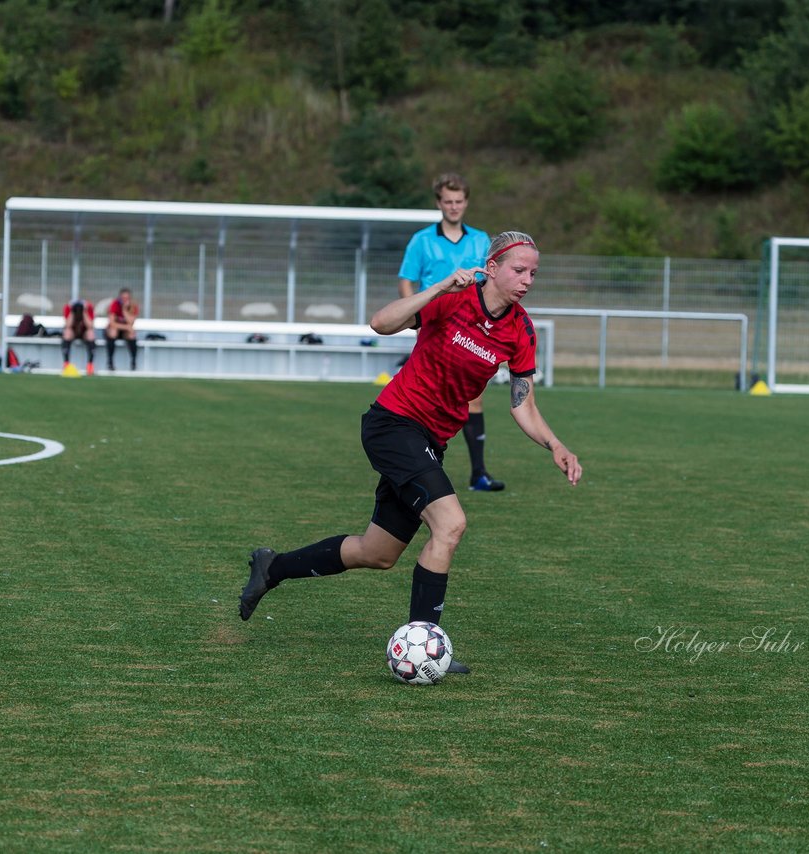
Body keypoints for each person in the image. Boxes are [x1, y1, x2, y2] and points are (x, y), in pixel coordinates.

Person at [239, 231, 582, 671]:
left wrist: (556, 444)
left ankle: (273, 568)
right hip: (393, 424)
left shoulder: (520, 330)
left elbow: (523, 404)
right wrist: (438, 286)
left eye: (533, 272)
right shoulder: (453, 299)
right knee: (451, 524)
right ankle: (425, 645)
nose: (527, 280)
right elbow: (380, 323)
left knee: (376, 553)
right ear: (492, 267)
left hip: (430, 442)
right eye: (519, 270)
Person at [399, 172, 504, 492]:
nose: (454, 206)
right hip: (434, 329)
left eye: (459, 201)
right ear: (438, 203)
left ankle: (478, 474)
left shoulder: (481, 240)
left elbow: (492, 283)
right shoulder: (422, 240)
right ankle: (419, 465)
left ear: (466, 203)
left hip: (470, 331)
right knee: (425, 397)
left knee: (474, 400)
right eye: (448, 201)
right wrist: (412, 317)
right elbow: (407, 280)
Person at [105, 287, 139, 371]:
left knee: (132, 334)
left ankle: (133, 362)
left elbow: (131, 322)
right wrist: (126, 327)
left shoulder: (133, 306)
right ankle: (110, 362)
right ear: (120, 297)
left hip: (125, 332)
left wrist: (124, 310)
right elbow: (112, 323)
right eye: (123, 298)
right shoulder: (114, 304)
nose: (125, 300)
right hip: (115, 330)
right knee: (113, 332)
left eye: (127, 298)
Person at [62, 298, 97, 375]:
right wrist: (72, 311)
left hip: (84, 332)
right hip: (73, 332)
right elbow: (67, 325)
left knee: (91, 334)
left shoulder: (89, 308)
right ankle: (66, 364)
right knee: (67, 333)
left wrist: (84, 312)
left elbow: (90, 326)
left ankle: (90, 365)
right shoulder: (68, 308)